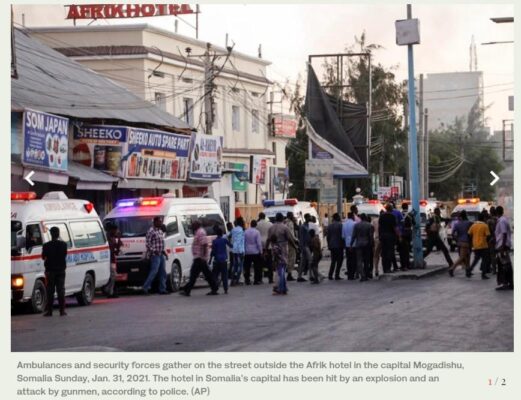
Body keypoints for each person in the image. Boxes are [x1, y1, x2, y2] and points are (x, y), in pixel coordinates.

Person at [180, 220, 219, 296]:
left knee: (194, 274)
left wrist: (203, 256)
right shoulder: (198, 232)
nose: (192, 226)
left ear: (197, 225)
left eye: (193, 225)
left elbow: (204, 245)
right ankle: (214, 287)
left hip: (200, 257)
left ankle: (187, 290)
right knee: (205, 274)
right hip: (199, 257)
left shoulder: (201, 232)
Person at [267, 213, 297, 293]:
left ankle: (280, 286)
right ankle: (280, 286)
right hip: (282, 250)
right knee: (282, 269)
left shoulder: (271, 228)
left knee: (278, 268)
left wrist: (266, 250)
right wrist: (295, 247)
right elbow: (290, 239)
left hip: (274, 250)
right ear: (282, 219)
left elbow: (268, 240)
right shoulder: (285, 227)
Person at [41, 226, 68, 316]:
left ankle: (49, 311)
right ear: (58, 234)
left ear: (51, 234)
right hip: (61, 271)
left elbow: (43, 257)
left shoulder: (46, 246)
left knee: (50, 291)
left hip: (50, 271)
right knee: (61, 291)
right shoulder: (64, 245)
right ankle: (62, 311)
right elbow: (64, 255)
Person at [143, 216, 169, 295]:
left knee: (163, 272)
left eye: (161, 221)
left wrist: (164, 252)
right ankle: (145, 288)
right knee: (154, 272)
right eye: (159, 222)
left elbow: (160, 243)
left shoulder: (160, 231)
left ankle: (162, 289)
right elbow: (148, 244)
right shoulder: (151, 231)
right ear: (155, 222)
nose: (161, 223)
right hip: (155, 255)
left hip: (161, 254)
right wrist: (154, 251)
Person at [448, 211, 473, 277]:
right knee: (462, 257)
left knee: (467, 257)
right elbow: (472, 233)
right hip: (467, 242)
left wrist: (456, 239)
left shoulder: (457, 224)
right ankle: (452, 268)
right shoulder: (469, 223)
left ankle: (468, 271)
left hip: (460, 242)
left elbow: (453, 233)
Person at [467, 212, 491, 279]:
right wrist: (487, 241)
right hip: (483, 245)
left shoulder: (473, 225)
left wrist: (471, 242)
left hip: (476, 245)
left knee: (476, 259)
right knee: (484, 260)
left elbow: (469, 234)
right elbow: (488, 235)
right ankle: (483, 274)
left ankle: (469, 270)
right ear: (483, 218)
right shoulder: (485, 226)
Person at [494, 206, 513, 290]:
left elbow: (504, 233)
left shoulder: (501, 221)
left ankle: (506, 283)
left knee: (504, 265)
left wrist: (502, 247)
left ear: (496, 213)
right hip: (503, 245)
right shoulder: (503, 220)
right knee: (505, 265)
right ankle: (509, 283)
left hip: (503, 246)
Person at [350, 213, 373, 281]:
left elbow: (353, 236)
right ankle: (366, 275)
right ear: (366, 218)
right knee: (366, 260)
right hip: (367, 244)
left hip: (358, 244)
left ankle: (362, 275)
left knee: (359, 260)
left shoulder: (356, 225)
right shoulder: (369, 225)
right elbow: (370, 236)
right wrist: (371, 244)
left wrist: (351, 244)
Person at [209, 227, 231, 294]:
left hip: (217, 261)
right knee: (224, 275)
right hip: (224, 260)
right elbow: (231, 245)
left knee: (215, 275)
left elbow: (212, 252)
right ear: (222, 234)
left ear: (216, 234)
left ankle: (214, 289)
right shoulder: (224, 240)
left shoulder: (214, 241)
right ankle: (226, 289)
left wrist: (210, 260)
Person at [379, 204, 400, 274]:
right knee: (390, 252)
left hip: (382, 236)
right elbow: (395, 227)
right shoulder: (392, 216)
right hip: (390, 237)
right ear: (391, 209)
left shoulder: (381, 216)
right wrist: (399, 236)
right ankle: (388, 268)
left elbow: (379, 227)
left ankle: (385, 268)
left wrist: (380, 236)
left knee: (384, 252)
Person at [103, 223, 122, 298]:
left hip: (113, 259)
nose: (116, 231)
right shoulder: (107, 237)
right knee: (112, 276)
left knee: (113, 276)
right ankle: (108, 290)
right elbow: (110, 248)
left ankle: (111, 292)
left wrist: (118, 244)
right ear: (111, 230)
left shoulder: (114, 237)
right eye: (115, 230)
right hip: (108, 259)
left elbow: (117, 248)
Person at [243, 219, 263, 285]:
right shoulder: (257, 232)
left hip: (247, 251)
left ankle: (247, 280)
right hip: (255, 252)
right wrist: (261, 251)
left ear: (250, 224)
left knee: (247, 267)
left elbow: (244, 242)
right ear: (256, 225)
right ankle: (256, 280)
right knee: (256, 267)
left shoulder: (246, 231)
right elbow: (259, 243)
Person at [256, 212, 273, 284]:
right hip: (268, 245)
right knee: (269, 263)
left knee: (259, 263)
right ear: (265, 216)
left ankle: (259, 279)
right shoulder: (270, 224)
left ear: (259, 217)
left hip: (259, 245)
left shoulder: (257, 224)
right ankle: (270, 278)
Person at [327, 213, 344, 280]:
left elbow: (328, 237)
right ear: (337, 218)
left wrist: (328, 245)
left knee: (333, 261)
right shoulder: (340, 225)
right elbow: (342, 236)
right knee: (339, 261)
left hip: (332, 245)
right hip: (339, 245)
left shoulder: (330, 226)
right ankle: (337, 275)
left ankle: (330, 275)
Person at [230, 218, 245, 286]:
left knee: (235, 265)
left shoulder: (233, 230)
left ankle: (233, 280)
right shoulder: (242, 230)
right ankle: (237, 280)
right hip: (240, 250)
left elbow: (229, 236)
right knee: (240, 266)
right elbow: (241, 241)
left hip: (234, 250)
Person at [297, 213, 312, 282]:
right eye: (309, 217)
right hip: (305, 246)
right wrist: (302, 247)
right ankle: (311, 275)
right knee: (309, 261)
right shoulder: (303, 227)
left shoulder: (308, 225)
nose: (310, 218)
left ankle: (300, 276)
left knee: (303, 262)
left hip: (308, 246)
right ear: (306, 218)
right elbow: (301, 238)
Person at [342, 212, 357, 279]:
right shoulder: (354, 224)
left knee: (348, 259)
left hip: (347, 244)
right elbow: (356, 235)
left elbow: (342, 236)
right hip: (354, 244)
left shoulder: (344, 224)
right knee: (354, 259)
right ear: (352, 216)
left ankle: (349, 274)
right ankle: (353, 273)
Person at [284, 212, 298, 281]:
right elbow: (291, 235)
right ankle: (289, 275)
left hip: (285, 243)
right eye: (292, 215)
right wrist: (295, 242)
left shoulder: (284, 222)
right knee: (291, 258)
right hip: (290, 242)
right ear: (290, 216)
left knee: (288, 258)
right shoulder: (290, 223)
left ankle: (288, 273)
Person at [399, 203, 413, 271]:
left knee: (402, 250)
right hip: (408, 234)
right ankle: (407, 265)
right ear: (407, 207)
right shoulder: (410, 214)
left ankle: (403, 265)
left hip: (401, 234)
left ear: (402, 207)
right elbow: (414, 223)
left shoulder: (400, 214)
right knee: (407, 250)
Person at [486, 207, 498, 274]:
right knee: (498, 254)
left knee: (492, 255)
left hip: (491, 239)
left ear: (490, 212)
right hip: (498, 239)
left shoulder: (489, 221)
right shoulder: (498, 219)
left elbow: (487, 231)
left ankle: (494, 270)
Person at [372, 211, 383, 277]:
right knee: (384, 255)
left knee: (376, 256)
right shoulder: (384, 220)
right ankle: (385, 269)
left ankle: (376, 270)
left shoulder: (374, 220)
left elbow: (372, 230)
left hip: (376, 239)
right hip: (383, 239)